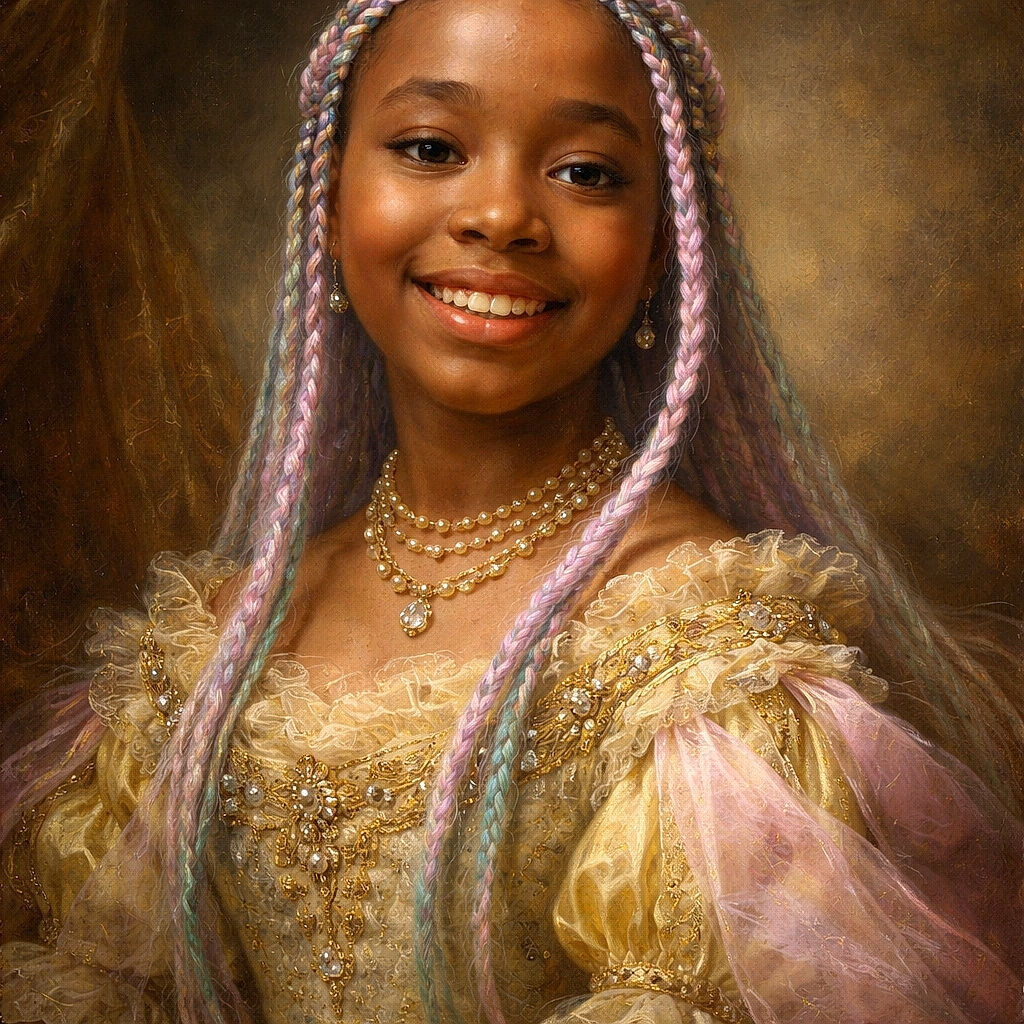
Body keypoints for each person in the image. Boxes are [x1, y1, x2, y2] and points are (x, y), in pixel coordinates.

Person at [2, 1, 1022, 1022]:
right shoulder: (221, 637)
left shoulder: (695, 645)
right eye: (429, 146)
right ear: (327, 199)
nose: (501, 215)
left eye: (585, 172)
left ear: (666, 243)